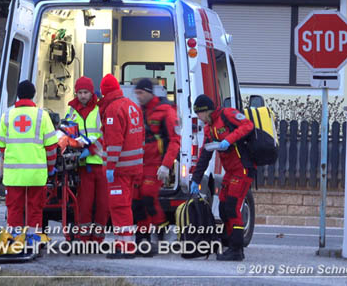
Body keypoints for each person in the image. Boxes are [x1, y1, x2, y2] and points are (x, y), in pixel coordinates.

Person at [190, 94, 255, 261]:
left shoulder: (227, 115)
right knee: (223, 206)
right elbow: (205, 155)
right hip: (231, 172)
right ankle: (227, 241)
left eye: (199, 113)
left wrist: (228, 139)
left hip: (242, 169)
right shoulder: (208, 129)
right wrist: (195, 180)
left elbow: (248, 125)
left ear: (207, 111)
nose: (199, 117)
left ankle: (237, 249)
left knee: (233, 206)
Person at [0, 80, 58, 240]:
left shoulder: (7, 116)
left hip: (14, 175)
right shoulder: (42, 116)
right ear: (34, 95)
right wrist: (50, 167)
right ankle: (33, 241)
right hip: (36, 175)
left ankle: (14, 240)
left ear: (17, 95)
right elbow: (51, 147)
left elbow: (2, 147)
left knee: (14, 209)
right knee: (35, 209)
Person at [98, 74, 145, 259]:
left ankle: (126, 246)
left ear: (104, 91)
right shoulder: (132, 105)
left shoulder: (112, 110)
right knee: (125, 205)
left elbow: (115, 143)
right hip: (133, 167)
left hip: (120, 169)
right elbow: (140, 136)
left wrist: (110, 166)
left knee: (119, 206)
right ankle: (121, 242)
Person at [133, 79, 181, 256]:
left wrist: (166, 165)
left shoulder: (165, 111)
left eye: (141, 93)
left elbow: (175, 141)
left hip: (156, 164)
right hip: (139, 162)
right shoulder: (138, 111)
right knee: (137, 201)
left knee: (148, 197)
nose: (138, 96)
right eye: (136, 93)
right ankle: (143, 238)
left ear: (149, 92)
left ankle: (161, 230)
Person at [63, 77, 107, 243]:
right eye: (80, 92)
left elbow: (105, 133)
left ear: (91, 92)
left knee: (103, 204)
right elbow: (68, 131)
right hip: (83, 165)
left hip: (101, 162)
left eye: (85, 92)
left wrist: (91, 148)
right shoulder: (72, 111)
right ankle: (84, 238)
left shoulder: (100, 109)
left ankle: (98, 238)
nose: (82, 96)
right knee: (84, 204)